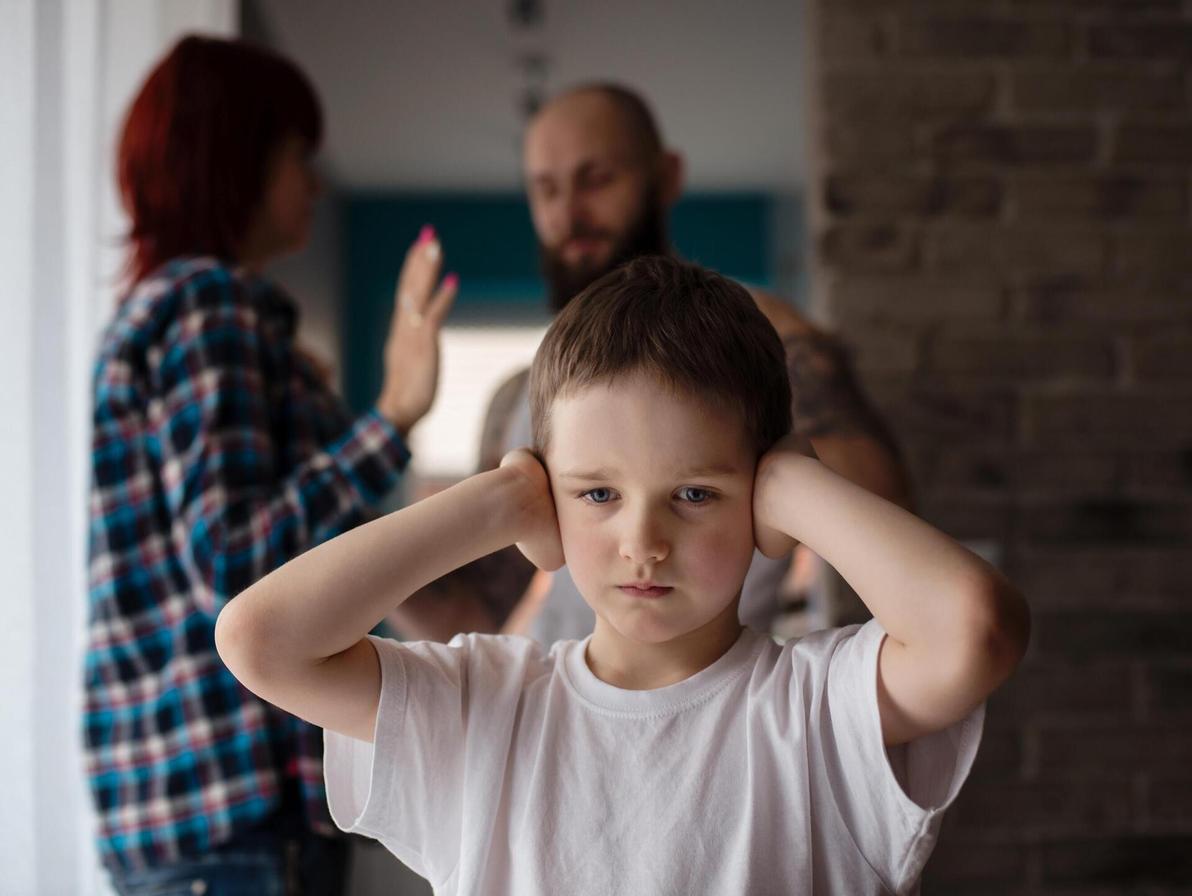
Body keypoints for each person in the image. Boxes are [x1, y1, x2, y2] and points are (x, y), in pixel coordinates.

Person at [216, 256, 1030, 894]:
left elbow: (977, 630)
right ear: (548, 492)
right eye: (597, 493)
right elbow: (259, 640)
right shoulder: (482, 704)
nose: (644, 540)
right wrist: (499, 503)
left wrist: (793, 484)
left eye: (695, 493)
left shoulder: (817, 708)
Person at [84, 35, 456, 895]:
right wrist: (393, 414)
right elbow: (237, 563)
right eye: (298, 156)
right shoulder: (208, 304)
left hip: (184, 811)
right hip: (232, 809)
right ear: (236, 160)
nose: (316, 185)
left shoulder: (166, 310)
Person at [391, 83, 909, 645]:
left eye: (596, 180)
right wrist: (387, 425)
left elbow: (884, 514)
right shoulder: (523, 395)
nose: (570, 214)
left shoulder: (765, 340)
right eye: (546, 190)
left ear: (665, 177)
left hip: (719, 702)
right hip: (564, 710)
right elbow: (474, 615)